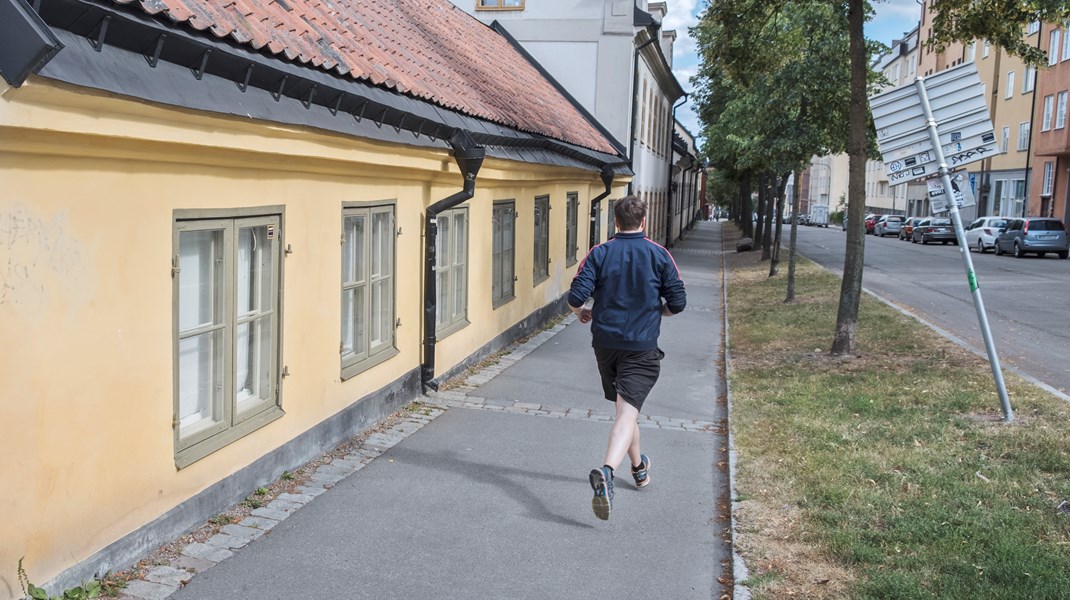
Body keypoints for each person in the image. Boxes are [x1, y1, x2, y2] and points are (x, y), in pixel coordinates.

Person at [567, 195, 687, 520]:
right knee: (626, 412)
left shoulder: (600, 253)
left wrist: (581, 313)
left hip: (605, 344)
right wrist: (657, 311)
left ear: (615, 222)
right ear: (643, 222)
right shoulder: (659, 255)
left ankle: (639, 469)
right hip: (641, 345)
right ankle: (607, 472)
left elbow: (576, 296)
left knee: (625, 409)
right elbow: (678, 302)